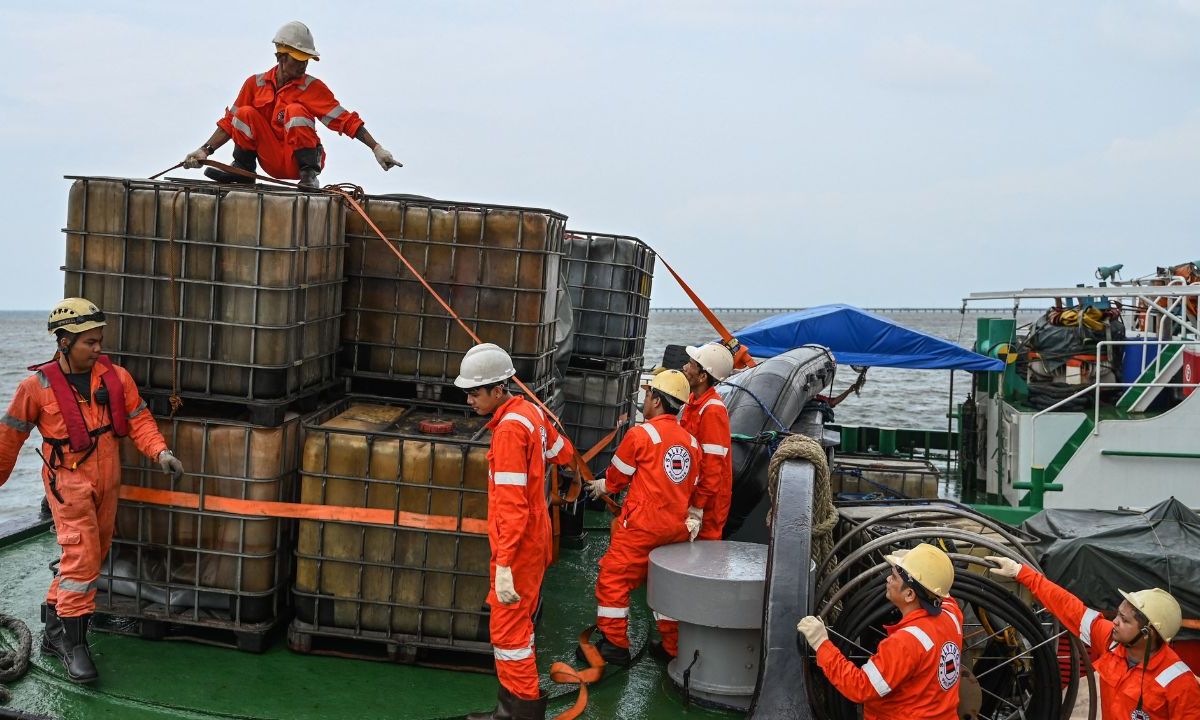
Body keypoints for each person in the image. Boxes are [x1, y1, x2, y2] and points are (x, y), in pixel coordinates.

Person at [0, 298, 183, 683]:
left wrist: (161, 452)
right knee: (83, 560)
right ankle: (74, 646)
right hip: (68, 482)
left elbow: (139, 419)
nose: (98, 348)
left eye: (99, 340)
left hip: (107, 478)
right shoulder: (35, 388)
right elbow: (8, 438)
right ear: (64, 342)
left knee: (88, 557)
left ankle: (53, 631)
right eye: (90, 342)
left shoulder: (116, 378)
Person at [456, 343, 575, 720]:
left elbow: (511, 505)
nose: (470, 399)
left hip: (518, 546)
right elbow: (565, 452)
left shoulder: (508, 431)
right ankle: (512, 708)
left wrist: (504, 562)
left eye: (475, 392)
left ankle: (519, 712)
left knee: (509, 634)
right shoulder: (530, 414)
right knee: (517, 626)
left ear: (498, 390)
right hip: (534, 537)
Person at [182, 21, 401, 190]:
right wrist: (204, 150)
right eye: (298, 59)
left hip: (298, 162)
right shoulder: (254, 84)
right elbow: (230, 124)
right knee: (245, 113)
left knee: (295, 111)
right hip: (270, 159)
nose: (303, 64)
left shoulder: (312, 88)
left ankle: (309, 176)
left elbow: (345, 121)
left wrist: (376, 148)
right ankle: (243, 171)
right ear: (281, 57)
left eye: (306, 59)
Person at [986, 555, 1200, 718]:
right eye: (1118, 614)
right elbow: (1070, 608)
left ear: (1148, 632)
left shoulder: (1180, 684)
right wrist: (1021, 572)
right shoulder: (1111, 641)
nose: (1115, 621)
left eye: (1125, 620)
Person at [584, 369, 700, 665]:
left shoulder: (640, 434)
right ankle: (673, 648)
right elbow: (691, 485)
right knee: (665, 587)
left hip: (641, 528)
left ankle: (614, 644)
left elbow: (617, 478)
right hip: (675, 529)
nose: (645, 400)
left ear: (658, 401)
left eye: (648, 395)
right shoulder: (692, 443)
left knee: (613, 579)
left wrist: (602, 486)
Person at [797, 544, 964, 719]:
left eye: (894, 577)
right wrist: (914, 561)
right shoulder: (951, 615)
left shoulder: (904, 643)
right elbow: (939, 587)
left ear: (909, 595)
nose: (887, 580)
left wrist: (821, 643)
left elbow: (860, 686)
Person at [679, 342, 734, 541]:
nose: (685, 367)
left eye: (690, 364)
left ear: (703, 376)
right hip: (692, 496)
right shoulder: (693, 403)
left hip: (708, 505)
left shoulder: (712, 410)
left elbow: (712, 468)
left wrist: (697, 507)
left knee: (703, 553)